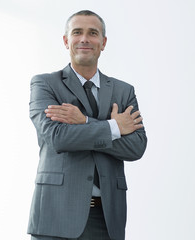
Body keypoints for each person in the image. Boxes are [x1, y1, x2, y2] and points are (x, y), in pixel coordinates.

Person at [27, 10, 147, 240]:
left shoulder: (123, 91)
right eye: (77, 32)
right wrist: (114, 128)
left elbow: (136, 147)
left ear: (103, 43)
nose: (84, 39)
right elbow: (58, 138)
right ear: (66, 40)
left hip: (108, 218)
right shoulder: (45, 84)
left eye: (93, 33)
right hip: (55, 216)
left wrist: (84, 122)